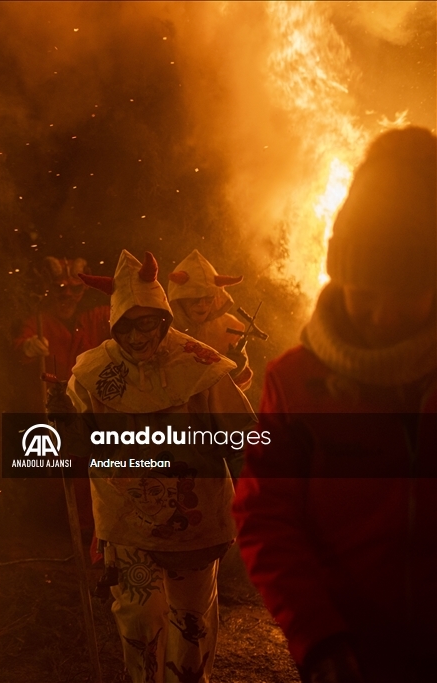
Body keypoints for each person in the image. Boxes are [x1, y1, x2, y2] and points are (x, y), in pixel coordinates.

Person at [232, 127, 437, 683]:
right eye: (366, 292)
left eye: (408, 293)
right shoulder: (295, 383)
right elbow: (265, 516)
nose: (383, 316)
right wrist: (317, 635)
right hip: (352, 657)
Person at [69, 249, 255, 683]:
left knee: (191, 624)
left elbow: (243, 435)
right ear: (114, 325)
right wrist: (61, 423)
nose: (137, 337)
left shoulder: (200, 366)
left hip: (195, 521)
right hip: (126, 519)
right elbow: (79, 441)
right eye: (126, 326)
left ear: (163, 319)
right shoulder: (93, 374)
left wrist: (256, 495)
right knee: (139, 620)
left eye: (147, 323)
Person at [15, 256, 111, 561]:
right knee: (55, 474)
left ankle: (91, 535)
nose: (67, 296)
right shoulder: (39, 322)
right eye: (60, 289)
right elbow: (20, 345)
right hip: (54, 413)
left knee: (92, 471)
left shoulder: (97, 318)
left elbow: (124, 319)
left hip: (89, 411)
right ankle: (57, 536)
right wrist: (27, 347)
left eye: (74, 289)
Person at [168, 250, 253, 391]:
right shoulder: (165, 328)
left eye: (208, 298)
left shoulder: (229, 328)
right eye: (195, 298)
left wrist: (238, 371)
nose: (202, 305)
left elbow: (240, 389)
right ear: (179, 298)